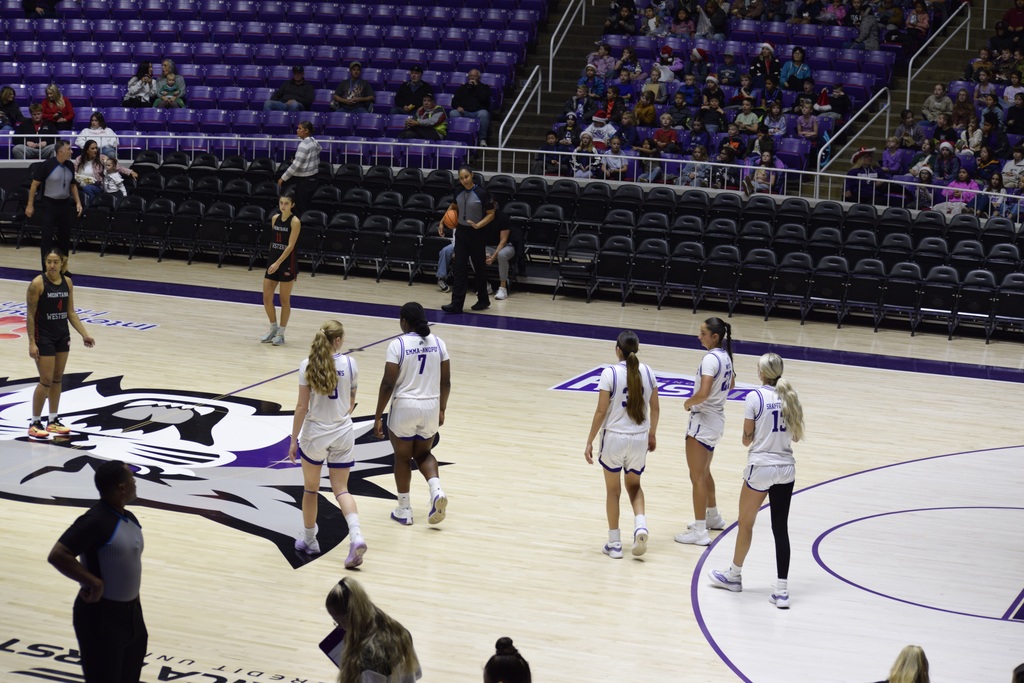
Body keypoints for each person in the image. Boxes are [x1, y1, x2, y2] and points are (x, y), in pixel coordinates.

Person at [708, 353, 805, 609]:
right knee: (780, 528)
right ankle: (782, 591)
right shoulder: (791, 397)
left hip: (761, 467)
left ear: (762, 373)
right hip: (786, 468)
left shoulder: (754, 397)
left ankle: (734, 575)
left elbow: (746, 439)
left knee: (746, 523)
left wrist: (752, 433)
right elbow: (795, 438)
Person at [47, 460, 144, 683]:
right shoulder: (95, 520)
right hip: (101, 616)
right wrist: (93, 582)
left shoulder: (130, 518)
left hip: (132, 614)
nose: (135, 481)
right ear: (121, 487)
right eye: (131, 477)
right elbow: (58, 554)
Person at [289, 320, 367, 569]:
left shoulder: (307, 365)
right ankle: (356, 536)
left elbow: (302, 406)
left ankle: (311, 541)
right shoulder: (351, 364)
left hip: (316, 434)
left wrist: (293, 439)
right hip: (343, 431)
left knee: (311, 489)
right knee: (341, 489)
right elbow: (352, 401)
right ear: (338, 341)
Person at [373, 302, 451, 525]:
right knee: (424, 454)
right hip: (430, 406)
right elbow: (446, 381)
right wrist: (442, 408)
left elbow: (388, 383)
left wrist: (378, 415)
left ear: (404, 321)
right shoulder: (438, 342)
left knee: (402, 457)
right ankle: (436, 491)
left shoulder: (398, 345)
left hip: (405, 406)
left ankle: (404, 509)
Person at [584, 331, 660, 559]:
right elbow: (655, 408)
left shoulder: (610, 373)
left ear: (617, 349)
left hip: (615, 438)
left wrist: (589, 440)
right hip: (639, 436)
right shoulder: (648, 371)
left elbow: (600, 411)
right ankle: (641, 526)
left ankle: (615, 543)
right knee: (635, 486)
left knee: (613, 491)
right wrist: (652, 434)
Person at [675, 317, 734, 546]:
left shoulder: (710, 359)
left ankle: (700, 531)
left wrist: (689, 402)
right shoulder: (725, 357)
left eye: (703, 333)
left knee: (697, 476)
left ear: (715, 336)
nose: (699, 336)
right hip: (716, 419)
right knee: (705, 472)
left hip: (703, 420)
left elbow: (705, 391)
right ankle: (713, 516)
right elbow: (731, 385)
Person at [25, 248, 95, 438]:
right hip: (43, 337)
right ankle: (35, 422)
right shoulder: (37, 284)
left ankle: (53, 420)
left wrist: (84, 334)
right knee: (45, 380)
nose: (52, 265)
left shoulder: (68, 283)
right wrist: (32, 342)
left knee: (57, 379)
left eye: (55, 262)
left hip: (62, 336)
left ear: (62, 263)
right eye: (48, 261)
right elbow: (30, 315)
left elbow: (70, 312)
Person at [325, 578, 421, 683]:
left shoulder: (369, 655)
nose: (340, 627)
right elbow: (417, 673)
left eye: (339, 622)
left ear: (350, 618)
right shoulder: (400, 631)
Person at [442, 167, 496, 313]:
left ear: (472, 175)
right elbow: (452, 208)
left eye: (466, 177)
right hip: (461, 232)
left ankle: (483, 300)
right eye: (461, 178)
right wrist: (442, 222)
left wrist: (479, 225)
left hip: (477, 234)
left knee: (479, 268)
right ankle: (456, 304)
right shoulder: (457, 191)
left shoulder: (482, 193)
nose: (464, 180)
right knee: (459, 267)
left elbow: (491, 214)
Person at [25, 140, 83, 272]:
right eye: (69, 149)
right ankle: (45, 269)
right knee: (47, 238)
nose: (71, 151)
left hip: (65, 206)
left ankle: (63, 269)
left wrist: (78, 202)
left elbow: (73, 185)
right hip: (49, 205)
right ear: (60, 151)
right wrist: (30, 205)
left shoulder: (70, 165)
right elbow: (34, 185)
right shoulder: (47, 165)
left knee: (64, 238)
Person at [260, 193, 301, 346]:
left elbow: (290, 246)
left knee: (284, 300)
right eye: (281, 203)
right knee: (266, 298)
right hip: (273, 261)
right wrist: (271, 260)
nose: (283, 206)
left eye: (286, 203)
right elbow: (273, 241)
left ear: (292, 205)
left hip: (286, 263)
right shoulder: (274, 219)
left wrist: (278, 263)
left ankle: (281, 333)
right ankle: (273, 328)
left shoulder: (295, 222)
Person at [277, 120, 321, 213]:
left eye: (300, 128)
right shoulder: (313, 140)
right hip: (313, 177)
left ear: (306, 131)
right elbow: (319, 149)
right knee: (306, 203)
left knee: (301, 205)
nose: (297, 130)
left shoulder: (303, 145)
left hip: (305, 180)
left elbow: (296, 165)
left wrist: (283, 178)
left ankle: (300, 225)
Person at [449, 69, 493, 146]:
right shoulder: (462, 87)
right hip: (465, 112)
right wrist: (458, 106)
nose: (472, 78)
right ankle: (458, 136)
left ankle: (482, 139)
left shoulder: (484, 87)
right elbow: (454, 101)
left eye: (474, 76)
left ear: (479, 78)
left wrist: (476, 87)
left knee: (484, 114)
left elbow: (485, 99)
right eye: (470, 76)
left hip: (478, 112)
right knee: (453, 113)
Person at [484, 204, 516, 301]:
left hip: (506, 246)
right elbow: (478, 238)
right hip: (488, 246)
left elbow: (503, 241)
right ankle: (485, 285)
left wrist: (493, 257)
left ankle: (503, 288)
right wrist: (484, 251)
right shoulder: (480, 216)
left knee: (501, 255)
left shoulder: (502, 217)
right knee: (473, 254)